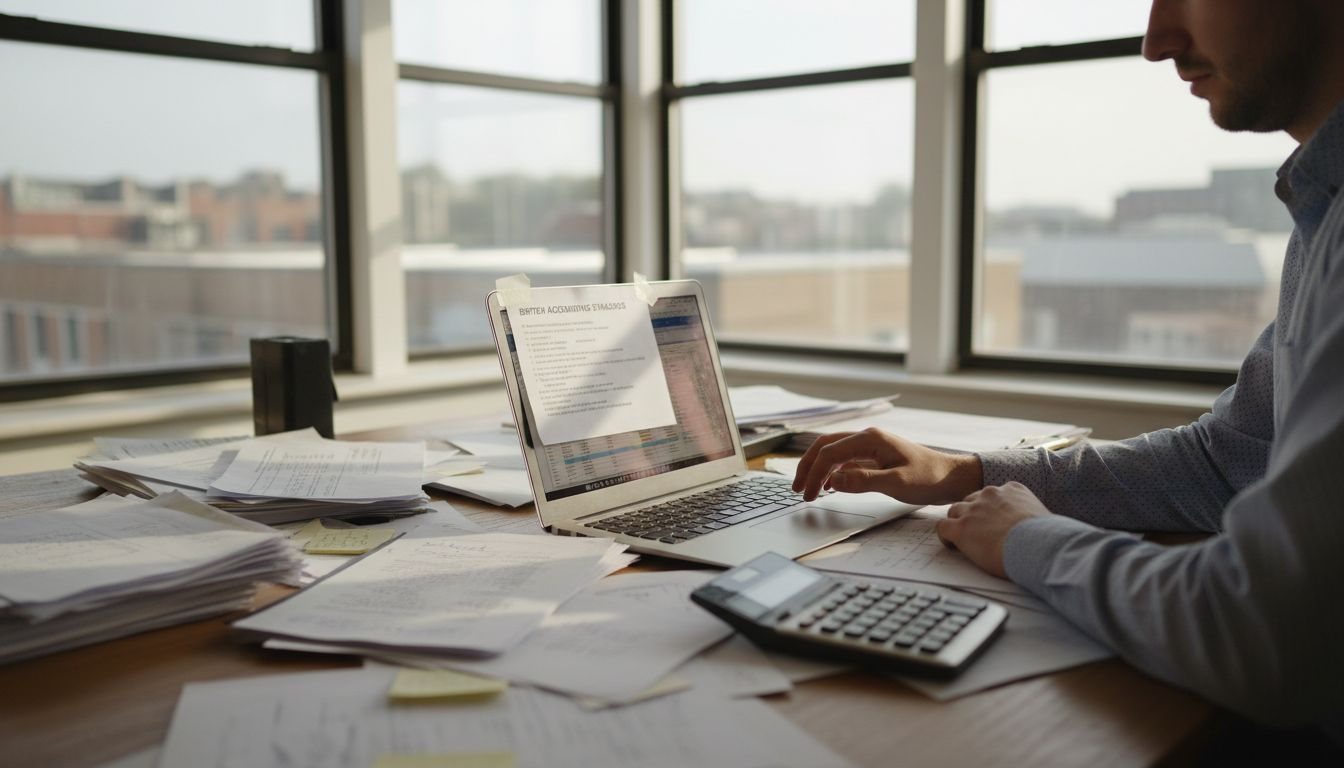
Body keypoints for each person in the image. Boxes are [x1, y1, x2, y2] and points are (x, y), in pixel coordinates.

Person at [793, 0, 1344, 742]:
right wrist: (965, 472)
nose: (1158, 41)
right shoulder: (1324, 213)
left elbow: (1260, 632)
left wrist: (1028, 537)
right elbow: (1228, 460)